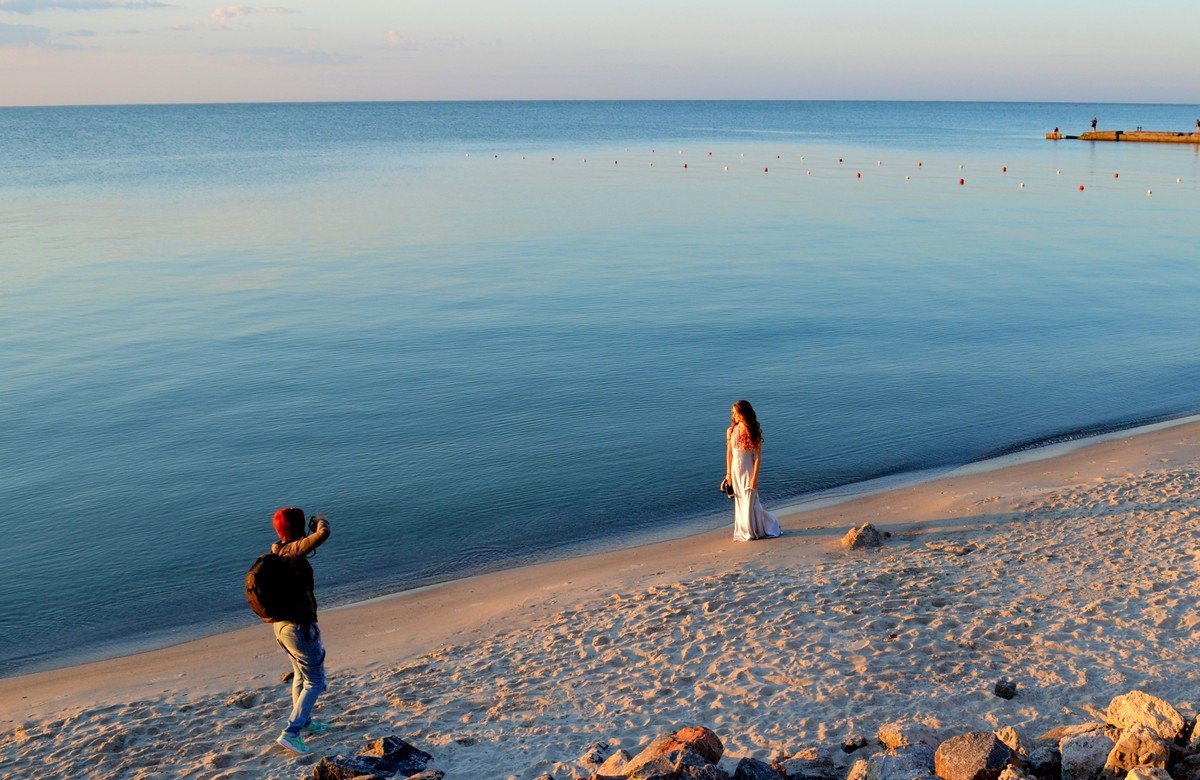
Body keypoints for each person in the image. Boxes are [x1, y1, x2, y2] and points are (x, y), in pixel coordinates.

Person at [268, 506, 331, 755]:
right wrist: (322, 522)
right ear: (298, 527)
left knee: (299, 675)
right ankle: (291, 732)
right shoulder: (293, 551)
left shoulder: (278, 549)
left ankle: (304, 722)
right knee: (316, 680)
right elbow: (323, 534)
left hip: (281, 626)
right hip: (299, 627)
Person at [723, 400, 782, 541]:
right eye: (733, 412)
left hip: (748, 470)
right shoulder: (730, 430)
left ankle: (756, 529)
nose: (733, 415)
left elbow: (757, 458)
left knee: (751, 501)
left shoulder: (753, 431)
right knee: (741, 501)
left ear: (743, 413)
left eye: (736, 412)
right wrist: (728, 474)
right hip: (735, 471)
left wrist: (754, 478)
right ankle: (744, 530)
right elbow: (729, 453)